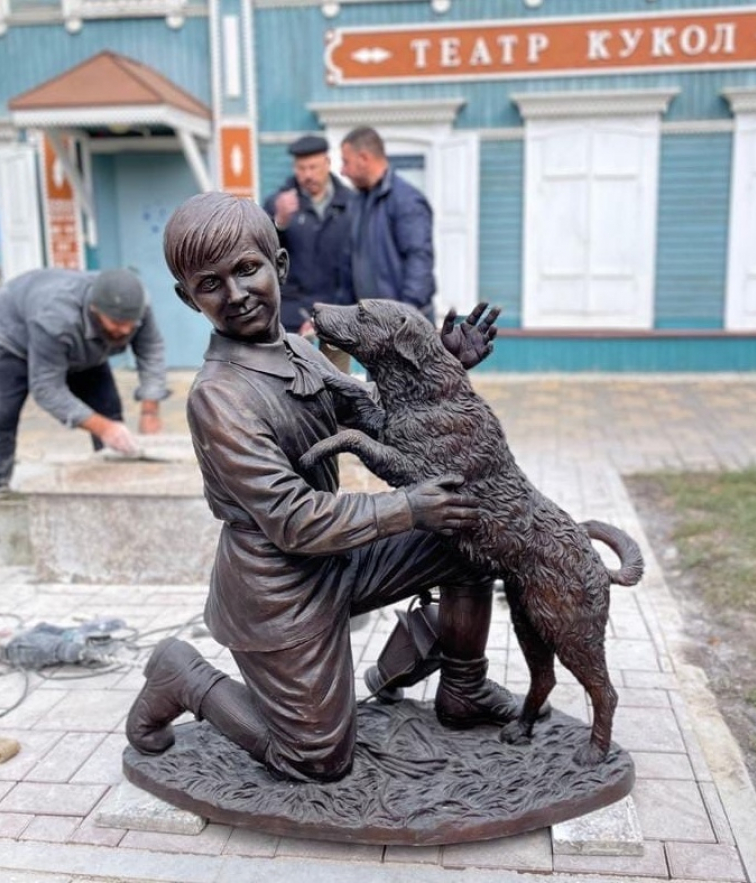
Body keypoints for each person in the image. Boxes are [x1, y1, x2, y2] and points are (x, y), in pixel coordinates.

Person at [125, 191, 515, 783]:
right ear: (189, 298)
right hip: (278, 590)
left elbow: (378, 422)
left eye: (248, 269)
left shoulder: (300, 350)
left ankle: (464, 689)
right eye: (211, 284)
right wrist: (408, 507)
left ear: (279, 266)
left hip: (337, 555)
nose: (235, 294)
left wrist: (439, 371)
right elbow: (291, 517)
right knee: (315, 760)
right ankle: (184, 676)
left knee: (469, 531)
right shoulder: (219, 396)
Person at [0, 267, 168, 493]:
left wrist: (150, 411)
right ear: (94, 310)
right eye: (117, 324)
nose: (126, 329)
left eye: (131, 323)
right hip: (13, 340)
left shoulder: (136, 306)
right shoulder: (54, 319)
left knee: (110, 414)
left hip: (83, 348)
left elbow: (150, 349)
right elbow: (47, 388)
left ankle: (116, 484)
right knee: (4, 416)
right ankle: (2, 490)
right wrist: (104, 428)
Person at [262, 134, 353, 372]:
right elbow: (262, 256)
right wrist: (279, 222)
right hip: (292, 318)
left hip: (337, 317)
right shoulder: (277, 204)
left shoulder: (351, 205)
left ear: (327, 163)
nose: (308, 175)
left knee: (338, 389)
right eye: (301, 168)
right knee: (295, 391)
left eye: (313, 167)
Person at [340, 126, 437, 324]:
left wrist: (406, 316)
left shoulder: (406, 200)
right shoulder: (357, 202)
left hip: (405, 327)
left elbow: (419, 259)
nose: (342, 171)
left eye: (346, 162)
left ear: (364, 158)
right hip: (372, 325)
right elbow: (351, 265)